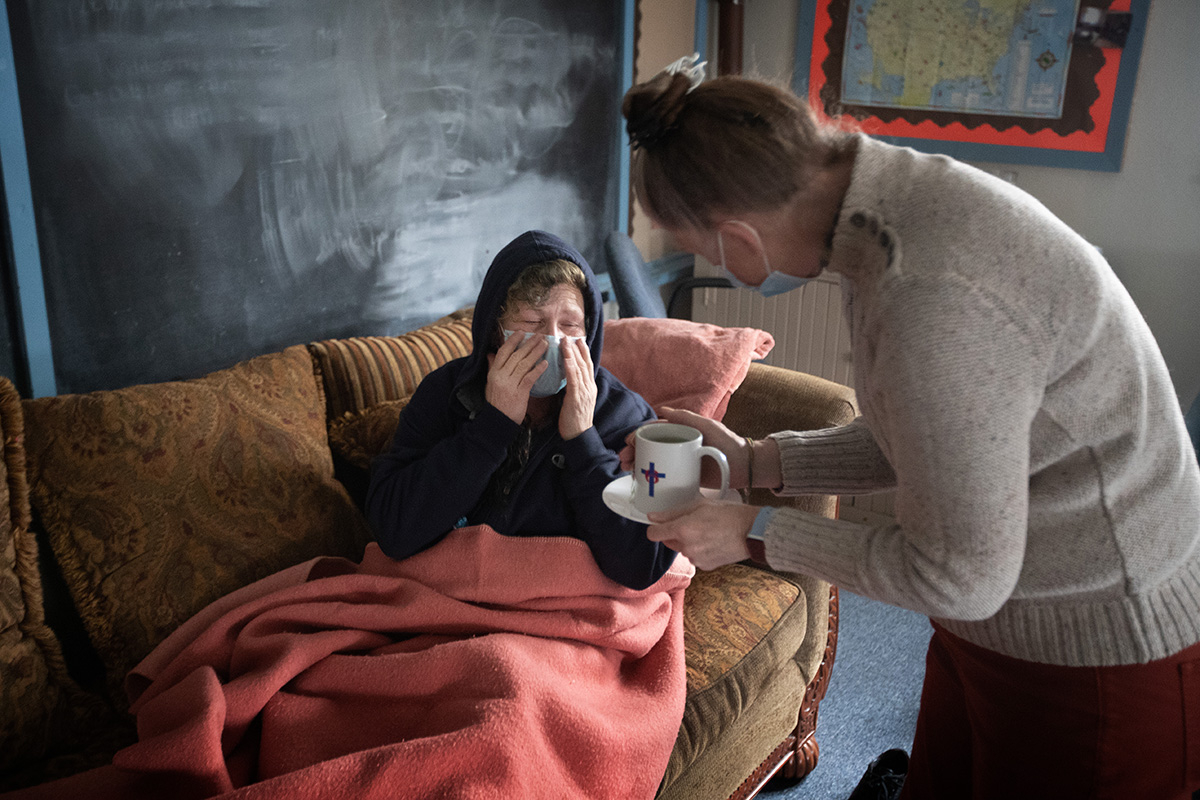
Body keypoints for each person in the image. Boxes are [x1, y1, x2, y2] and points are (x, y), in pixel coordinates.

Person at [620, 56, 1200, 799]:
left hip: (1100, 647)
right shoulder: (883, 207)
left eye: (704, 253)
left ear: (739, 236)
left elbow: (960, 576)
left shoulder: (933, 294)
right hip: (1001, 626)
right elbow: (927, 438)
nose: (719, 269)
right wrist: (751, 461)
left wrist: (753, 532)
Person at [366, 229, 675, 590]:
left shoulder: (623, 412)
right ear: (495, 331)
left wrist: (582, 440)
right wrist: (491, 428)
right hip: (451, 598)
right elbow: (392, 530)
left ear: (589, 332)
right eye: (532, 322)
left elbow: (642, 564)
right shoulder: (445, 394)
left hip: (561, 614)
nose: (555, 340)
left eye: (570, 325)